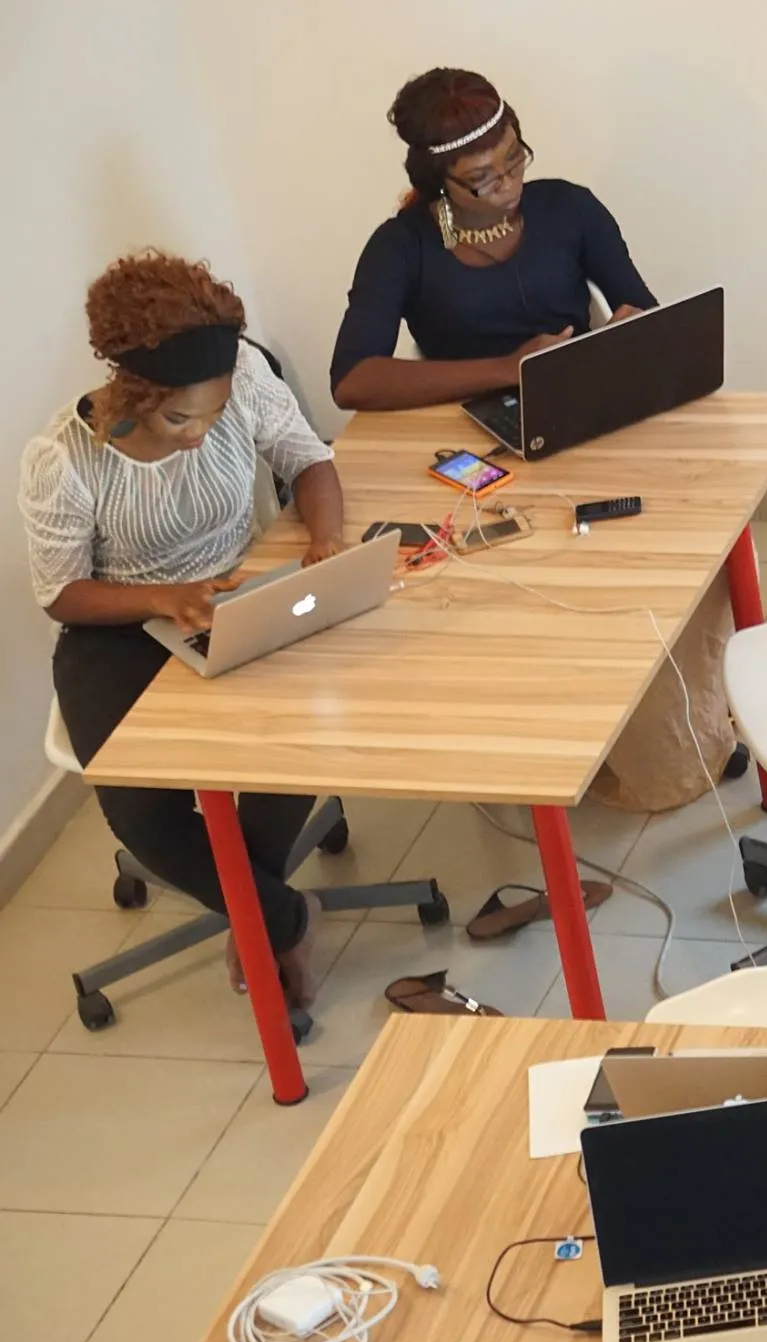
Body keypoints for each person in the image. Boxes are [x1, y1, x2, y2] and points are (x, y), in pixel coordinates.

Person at [19, 251, 349, 1005]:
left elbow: (309, 461)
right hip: (117, 627)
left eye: (213, 413)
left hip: (233, 590)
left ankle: (250, 914)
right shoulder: (62, 460)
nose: (200, 435)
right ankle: (282, 917)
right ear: (133, 390)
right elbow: (61, 592)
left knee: (296, 739)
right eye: (178, 419)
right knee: (139, 808)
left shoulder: (244, 379)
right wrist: (164, 597)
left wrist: (325, 542)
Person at [329, 67, 658, 411]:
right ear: (438, 182)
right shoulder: (400, 247)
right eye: (481, 178)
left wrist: (633, 331)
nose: (509, 183)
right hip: (459, 419)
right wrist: (510, 369)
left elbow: (646, 311)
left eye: (514, 159)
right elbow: (352, 380)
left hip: (577, 402)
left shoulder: (570, 208)